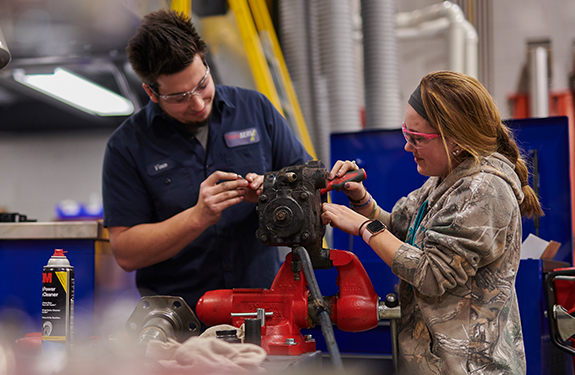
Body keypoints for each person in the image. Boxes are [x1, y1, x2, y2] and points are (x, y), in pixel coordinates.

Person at [321, 70, 542, 374]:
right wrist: (361, 201)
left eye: (417, 138)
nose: (407, 147)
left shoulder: (484, 190)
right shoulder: (446, 178)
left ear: (456, 140)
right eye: (405, 134)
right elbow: (401, 231)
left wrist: (362, 228)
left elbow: (430, 274)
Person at [102, 9, 311, 314]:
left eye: (202, 84)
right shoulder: (126, 146)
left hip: (262, 309)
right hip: (177, 323)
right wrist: (197, 217)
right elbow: (126, 252)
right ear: (151, 92)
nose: (197, 103)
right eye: (180, 97)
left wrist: (269, 194)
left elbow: (311, 192)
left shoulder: (256, 110)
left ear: (205, 62)